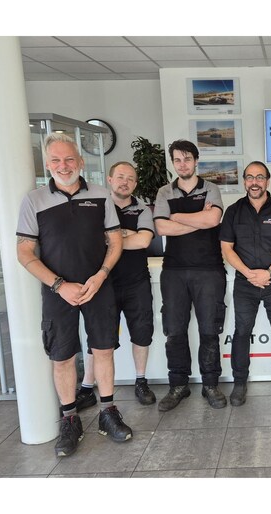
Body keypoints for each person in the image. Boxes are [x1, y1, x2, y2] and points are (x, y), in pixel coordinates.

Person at [16, 133, 132, 457]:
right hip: (58, 292)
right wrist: (59, 285)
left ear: (80, 162)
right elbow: (24, 252)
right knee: (63, 356)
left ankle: (107, 412)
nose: (63, 166)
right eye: (56, 160)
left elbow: (115, 242)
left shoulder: (100, 196)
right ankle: (70, 420)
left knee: (104, 350)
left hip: (99, 286)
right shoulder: (34, 201)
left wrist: (101, 275)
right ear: (47, 164)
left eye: (69, 159)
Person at [74, 162, 157, 411]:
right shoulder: (96, 206)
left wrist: (111, 238)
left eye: (130, 179)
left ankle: (141, 381)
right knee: (98, 337)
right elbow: (91, 241)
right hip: (102, 283)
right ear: (109, 180)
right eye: (120, 177)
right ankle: (87, 388)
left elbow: (143, 241)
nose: (125, 182)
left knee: (142, 332)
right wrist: (127, 234)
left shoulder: (142, 209)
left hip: (136, 282)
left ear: (135, 184)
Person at [153, 139, 227, 411]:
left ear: (196, 161)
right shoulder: (164, 192)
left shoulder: (211, 189)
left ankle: (210, 384)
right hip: (174, 271)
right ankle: (178, 385)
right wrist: (197, 219)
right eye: (177, 160)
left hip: (209, 269)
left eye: (187, 159)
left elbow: (213, 220)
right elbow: (161, 228)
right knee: (174, 331)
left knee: (209, 330)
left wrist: (175, 216)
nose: (182, 164)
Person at [220, 161, 271, 406]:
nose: (255, 182)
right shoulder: (233, 212)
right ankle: (239, 383)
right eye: (250, 177)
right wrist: (249, 273)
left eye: (260, 177)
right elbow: (227, 248)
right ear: (244, 181)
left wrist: (269, 273)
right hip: (245, 283)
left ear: (267, 181)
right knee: (242, 332)